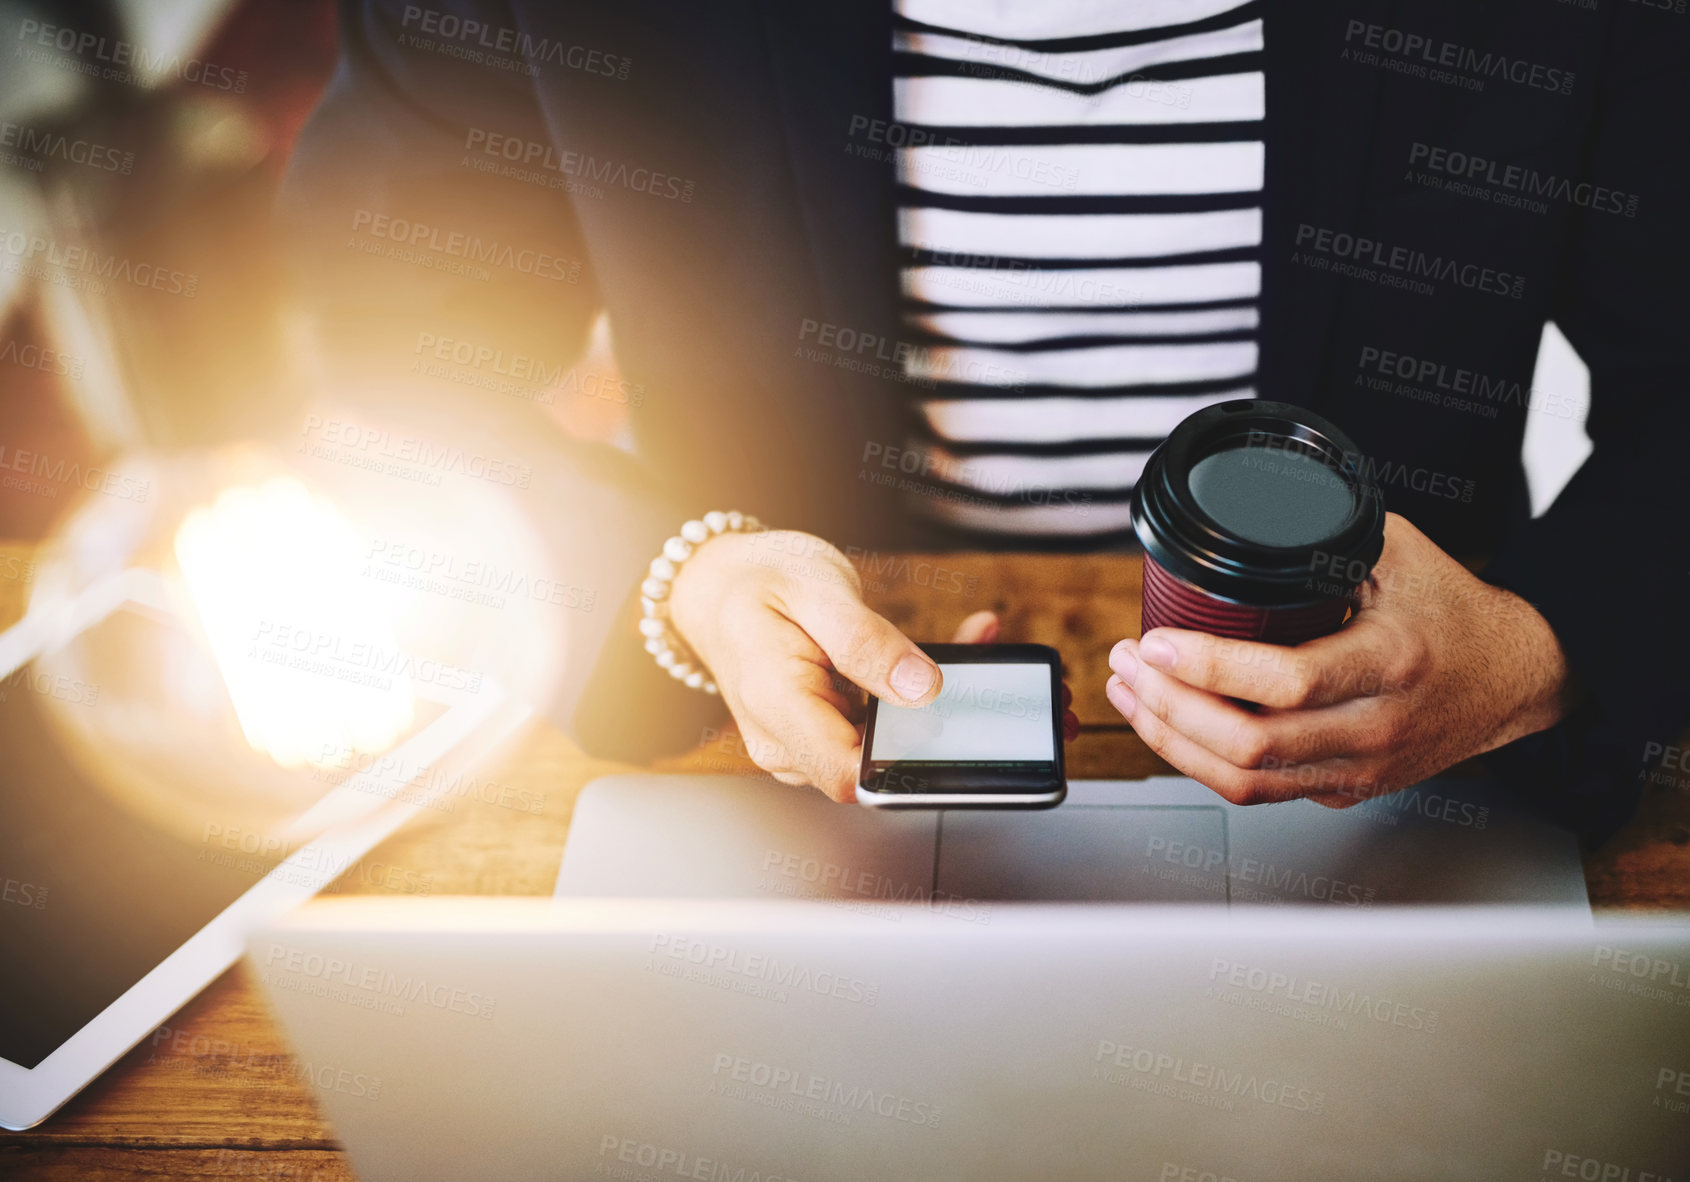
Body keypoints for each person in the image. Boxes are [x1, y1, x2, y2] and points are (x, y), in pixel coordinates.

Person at [281, 0, 1690, 842]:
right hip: (775, 773)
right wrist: (671, 576)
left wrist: (1542, 649)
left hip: (1426, 773)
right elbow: (387, 346)